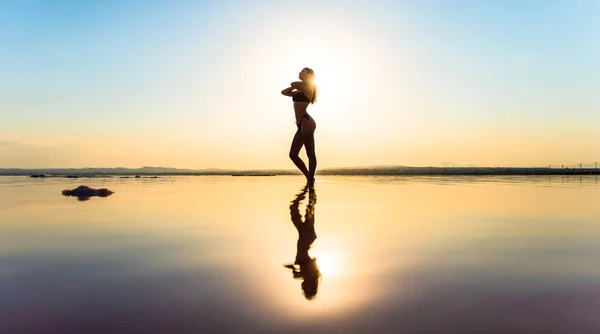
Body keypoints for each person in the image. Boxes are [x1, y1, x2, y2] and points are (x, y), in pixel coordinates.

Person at [281, 68, 318, 187]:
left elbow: (293, 84)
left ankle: (310, 179)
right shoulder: (300, 89)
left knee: (310, 153)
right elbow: (284, 92)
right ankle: (309, 177)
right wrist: (295, 89)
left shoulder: (309, 88)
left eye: (303, 71)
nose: (300, 72)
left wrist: (296, 86)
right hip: (300, 124)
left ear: (309, 75)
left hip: (306, 122)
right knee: (293, 154)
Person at [284, 186, 320, 300]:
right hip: (306, 237)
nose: (302, 288)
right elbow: (306, 263)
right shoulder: (311, 275)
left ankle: (308, 190)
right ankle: (309, 189)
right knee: (308, 209)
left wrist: (295, 270)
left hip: (306, 237)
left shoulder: (309, 275)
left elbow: (303, 264)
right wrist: (296, 271)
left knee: (297, 209)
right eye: (305, 289)